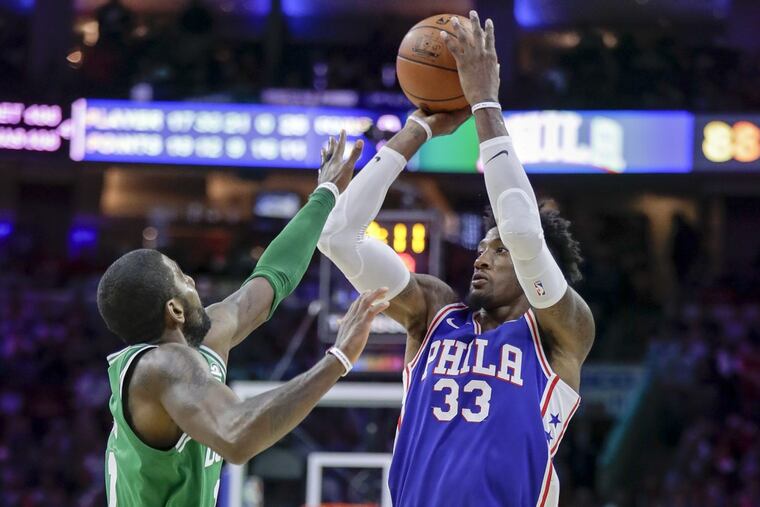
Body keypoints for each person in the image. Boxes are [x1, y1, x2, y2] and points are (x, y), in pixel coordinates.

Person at [317, 12, 594, 506]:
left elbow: (524, 230)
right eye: (483, 247)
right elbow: (338, 237)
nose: (482, 257)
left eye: (499, 250)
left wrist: (486, 102)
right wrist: (416, 130)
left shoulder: (561, 333)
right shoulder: (435, 315)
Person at [98, 132, 390, 506]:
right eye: (182, 277)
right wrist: (339, 358)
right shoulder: (162, 365)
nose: (193, 281)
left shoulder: (200, 341)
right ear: (173, 310)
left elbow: (267, 282)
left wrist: (326, 194)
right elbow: (236, 437)